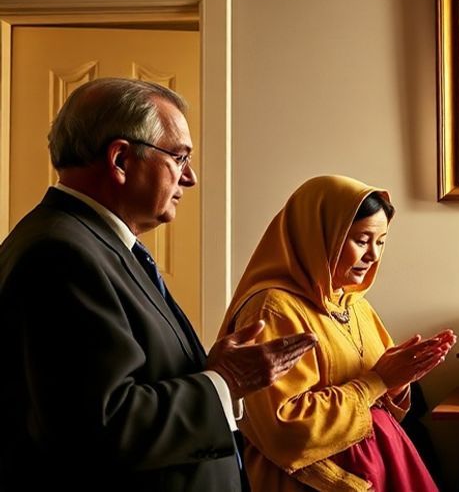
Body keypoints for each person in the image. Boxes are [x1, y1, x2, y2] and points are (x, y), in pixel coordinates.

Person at [0, 78, 318, 491]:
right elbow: (100, 428)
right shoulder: (61, 254)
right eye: (180, 158)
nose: (191, 179)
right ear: (120, 160)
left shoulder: (91, 242)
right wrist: (225, 382)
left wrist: (210, 370)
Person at [219, 175, 456, 492]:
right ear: (318, 237)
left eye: (381, 241)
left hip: (381, 470)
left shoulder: (355, 303)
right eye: (361, 240)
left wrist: (398, 383)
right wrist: (377, 381)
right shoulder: (273, 310)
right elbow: (285, 430)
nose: (373, 255)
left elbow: (380, 408)